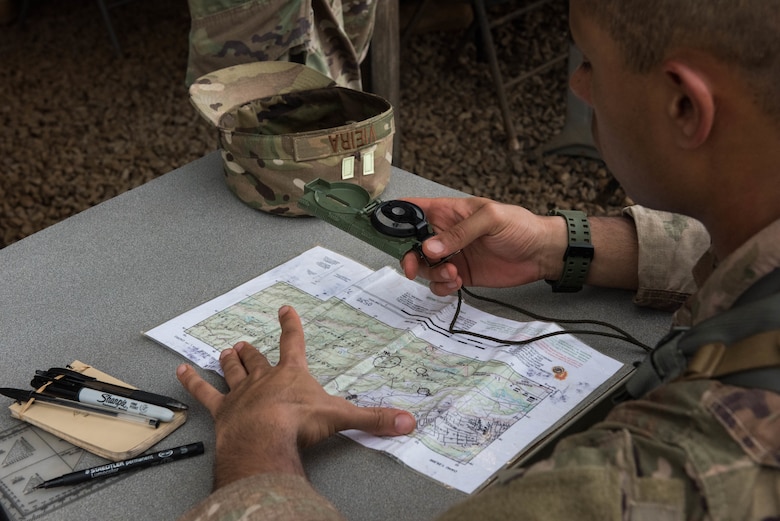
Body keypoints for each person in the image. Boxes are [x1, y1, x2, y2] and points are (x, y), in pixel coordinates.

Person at [175, 0, 780, 519]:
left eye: (590, 61)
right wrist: (561, 245)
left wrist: (258, 445)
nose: (580, 85)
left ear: (684, 107)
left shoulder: (694, 463)